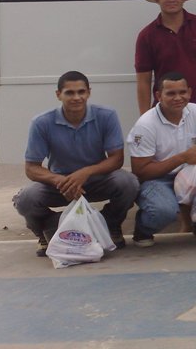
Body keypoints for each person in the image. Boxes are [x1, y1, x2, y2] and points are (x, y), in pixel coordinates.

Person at [13, 71, 139, 256]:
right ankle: (48, 230)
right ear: (58, 94)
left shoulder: (106, 116)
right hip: (60, 185)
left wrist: (86, 173)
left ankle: (109, 226)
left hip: (97, 180)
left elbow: (116, 159)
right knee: (26, 199)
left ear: (89, 92)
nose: (76, 97)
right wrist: (58, 180)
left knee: (129, 183)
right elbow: (31, 168)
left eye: (81, 92)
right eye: (69, 93)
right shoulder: (42, 122)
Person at [128, 72, 196, 246]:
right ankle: (143, 230)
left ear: (190, 92)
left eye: (182, 92)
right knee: (164, 211)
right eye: (170, 93)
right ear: (158, 95)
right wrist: (181, 158)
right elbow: (141, 172)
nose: (178, 98)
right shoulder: (145, 124)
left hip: (190, 172)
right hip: (159, 180)